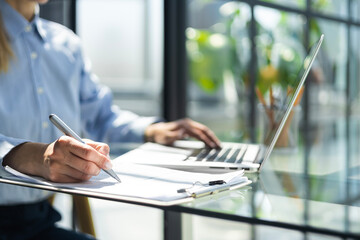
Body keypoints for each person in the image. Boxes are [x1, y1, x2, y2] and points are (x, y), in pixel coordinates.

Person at [0, 0, 221, 239]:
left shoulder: (64, 44)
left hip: (38, 222)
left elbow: (100, 117)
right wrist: (35, 157)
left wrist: (151, 130)